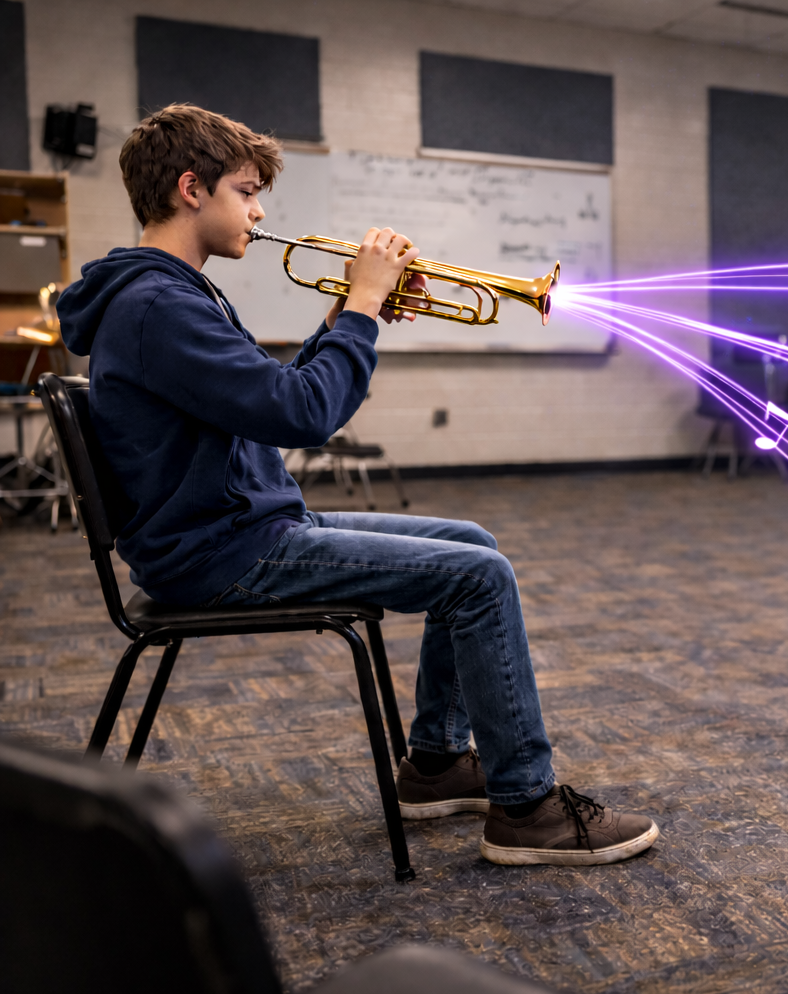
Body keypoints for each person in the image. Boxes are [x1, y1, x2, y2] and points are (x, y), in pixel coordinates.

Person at [57, 104, 657, 866]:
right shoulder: (158, 306)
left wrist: (345, 311)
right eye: (246, 191)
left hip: (233, 527)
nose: (260, 209)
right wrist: (365, 310)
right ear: (190, 189)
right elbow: (304, 414)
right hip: (220, 552)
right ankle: (526, 811)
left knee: (471, 545)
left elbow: (269, 395)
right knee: (479, 577)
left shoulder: (171, 294)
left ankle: (436, 763)